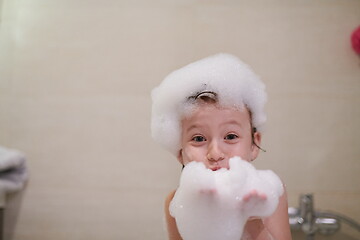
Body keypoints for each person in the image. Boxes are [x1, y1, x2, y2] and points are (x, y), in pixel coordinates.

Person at [151, 53, 292, 240]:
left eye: (231, 136)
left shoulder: (268, 191)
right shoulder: (176, 202)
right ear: (180, 152)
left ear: (254, 144)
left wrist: (251, 223)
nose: (215, 153)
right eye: (199, 139)